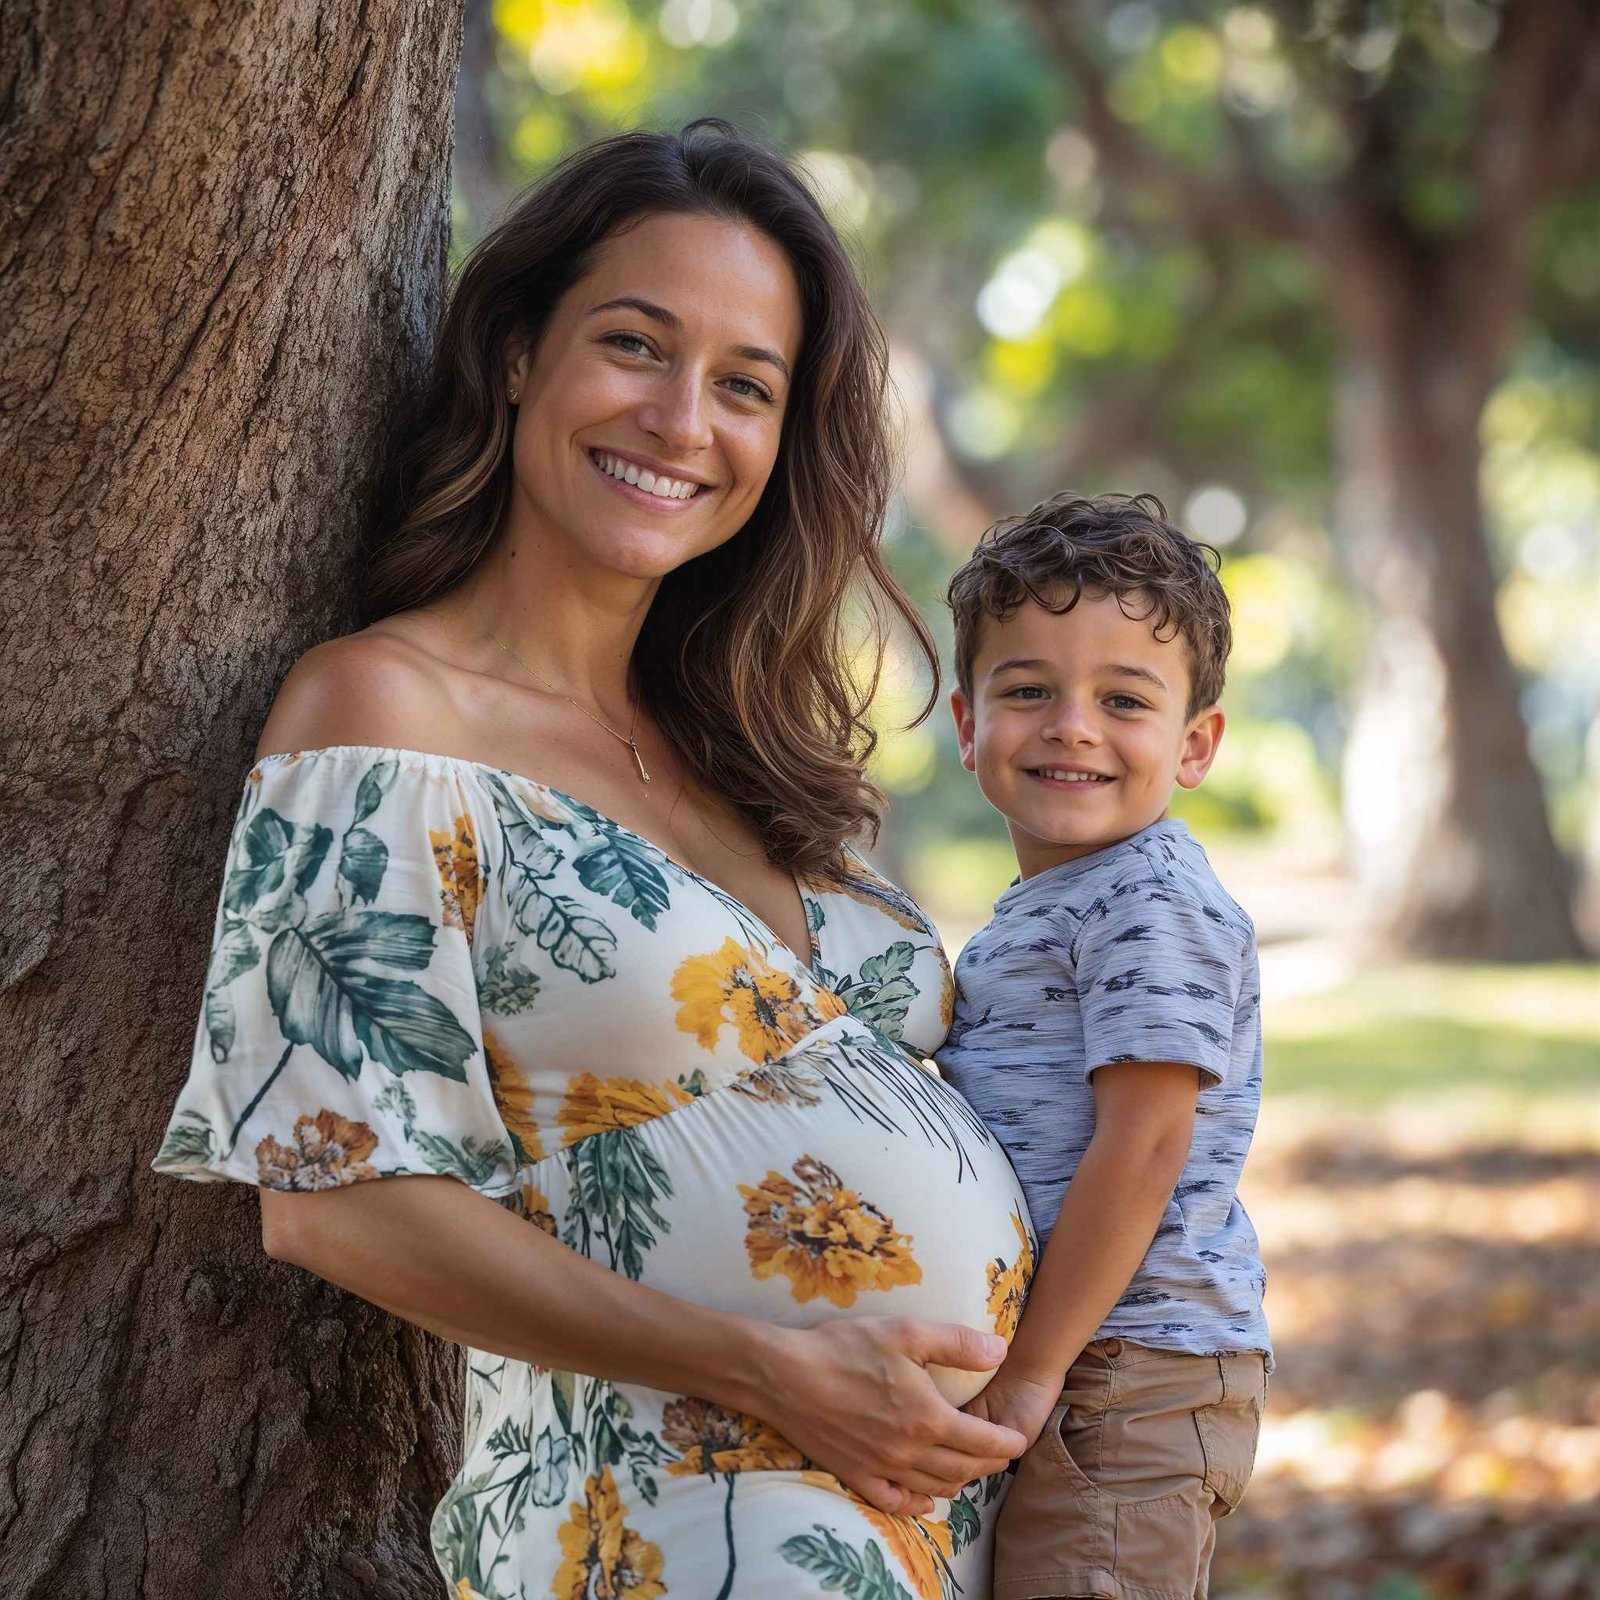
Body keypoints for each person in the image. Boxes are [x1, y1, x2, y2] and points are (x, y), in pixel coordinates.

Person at [151, 120, 1036, 1600]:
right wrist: (777, 1370)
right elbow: (332, 1196)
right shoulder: (384, 714)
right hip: (668, 1528)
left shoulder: (747, 752)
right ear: (515, 355)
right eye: (637, 345)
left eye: (746, 386)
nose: (685, 420)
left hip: (934, 1533)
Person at [936, 493, 1272, 1600]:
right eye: (1027, 689)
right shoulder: (1051, 902)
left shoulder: (1146, 899)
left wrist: (1035, 1373)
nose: (1071, 724)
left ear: (1194, 744)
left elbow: (1145, 1143)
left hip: (1124, 1368)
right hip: (1077, 1355)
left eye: (1122, 699)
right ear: (966, 723)